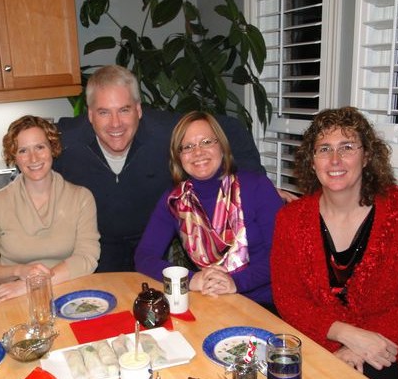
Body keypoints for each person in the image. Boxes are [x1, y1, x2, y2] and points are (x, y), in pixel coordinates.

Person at [270, 107, 398, 379]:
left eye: (347, 147)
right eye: (324, 149)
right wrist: (343, 333)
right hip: (321, 349)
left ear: (366, 158)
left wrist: (358, 346)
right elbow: (288, 299)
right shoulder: (291, 220)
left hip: (394, 352)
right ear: (312, 161)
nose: (335, 159)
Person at [54, 65, 288, 273]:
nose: (115, 123)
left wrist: (257, 185)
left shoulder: (164, 130)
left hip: (149, 237)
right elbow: (31, 151)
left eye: (124, 110)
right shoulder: (66, 139)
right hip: (98, 248)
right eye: (104, 112)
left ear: (138, 110)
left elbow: (231, 130)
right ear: (90, 114)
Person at [134, 111, 283, 311]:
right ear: (178, 157)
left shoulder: (256, 187)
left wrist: (235, 282)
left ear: (222, 146)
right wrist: (191, 279)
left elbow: (283, 258)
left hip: (266, 304)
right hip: (211, 301)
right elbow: (144, 257)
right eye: (187, 146)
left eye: (206, 142)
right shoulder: (175, 200)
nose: (198, 152)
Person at [0, 115, 100, 303]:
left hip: (67, 296)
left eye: (40, 147)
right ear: (13, 157)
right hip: (10, 299)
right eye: (23, 150)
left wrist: (33, 284)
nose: (33, 158)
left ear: (52, 148)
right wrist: (19, 272)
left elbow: (87, 258)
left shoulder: (81, 198)